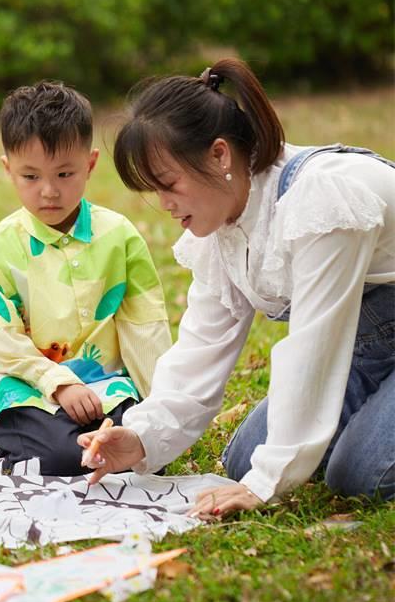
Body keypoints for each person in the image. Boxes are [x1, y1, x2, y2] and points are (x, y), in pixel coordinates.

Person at [79, 58, 395, 515]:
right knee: (244, 458)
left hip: (340, 348)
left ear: (220, 154)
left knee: (360, 475)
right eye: (153, 191)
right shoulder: (223, 226)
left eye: (168, 184)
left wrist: (265, 485)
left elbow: (314, 348)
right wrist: (141, 436)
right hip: (364, 354)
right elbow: (201, 349)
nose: (164, 205)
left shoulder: (321, 201)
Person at [0, 80, 172, 475]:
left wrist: (161, 411)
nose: (49, 191)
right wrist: (59, 383)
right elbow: (1, 341)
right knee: (63, 459)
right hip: (28, 387)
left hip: (106, 387)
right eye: (30, 177)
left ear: (91, 164)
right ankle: (1, 436)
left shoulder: (119, 236)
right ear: (8, 169)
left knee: (134, 448)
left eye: (65, 174)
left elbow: (145, 326)